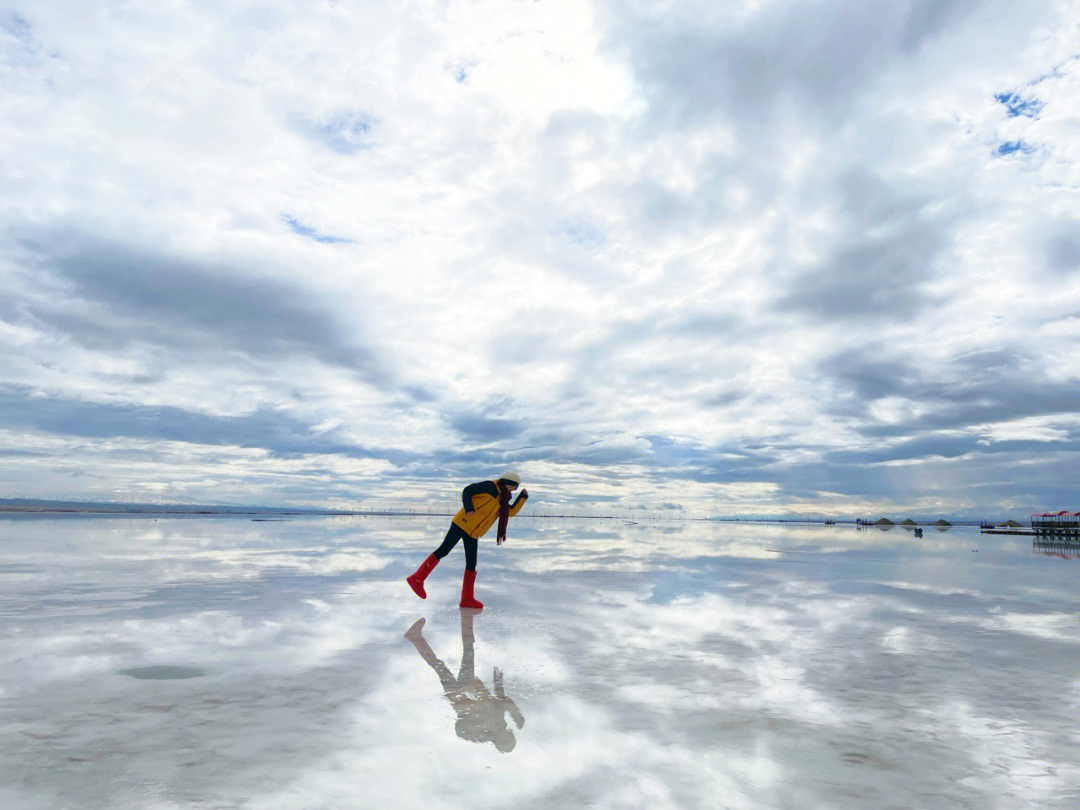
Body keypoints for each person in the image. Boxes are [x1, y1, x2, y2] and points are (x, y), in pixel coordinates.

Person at [406, 472, 528, 609]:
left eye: (514, 489)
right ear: (505, 481)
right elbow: (468, 490)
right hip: (461, 523)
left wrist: (522, 497)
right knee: (444, 550)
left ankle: (467, 598)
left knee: (471, 563)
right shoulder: (490, 487)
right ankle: (417, 579)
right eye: (511, 487)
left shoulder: (502, 500)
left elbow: (510, 512)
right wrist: (469, 508)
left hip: (474, 532)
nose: (511, 490)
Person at [404, 613, 524, 752]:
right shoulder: (499, 722)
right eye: (510, 735)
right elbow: (501, 701)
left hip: (461, 694)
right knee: (445, 662)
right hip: (462, 693)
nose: (508, 732)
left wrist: (471, 721)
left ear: (501, 740)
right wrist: (500, 686)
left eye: (507, 736)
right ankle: (417, 638)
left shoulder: (483, 735)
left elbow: (460, 730)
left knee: (458, 656)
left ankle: (465, 620)